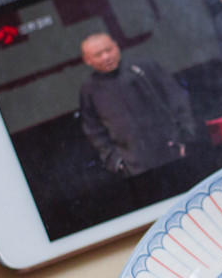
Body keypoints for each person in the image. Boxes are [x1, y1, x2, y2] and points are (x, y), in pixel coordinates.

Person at [78, 33, 197, 177]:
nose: (106, 57)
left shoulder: (143, 68)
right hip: (134, 166)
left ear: (116, 46)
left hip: (174, 151)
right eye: (98, 55)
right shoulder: (89, 90)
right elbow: (94, 130)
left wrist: (186, 137)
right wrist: (117, 162)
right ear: (87, 60)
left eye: (108, 50)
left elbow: (177, 100)